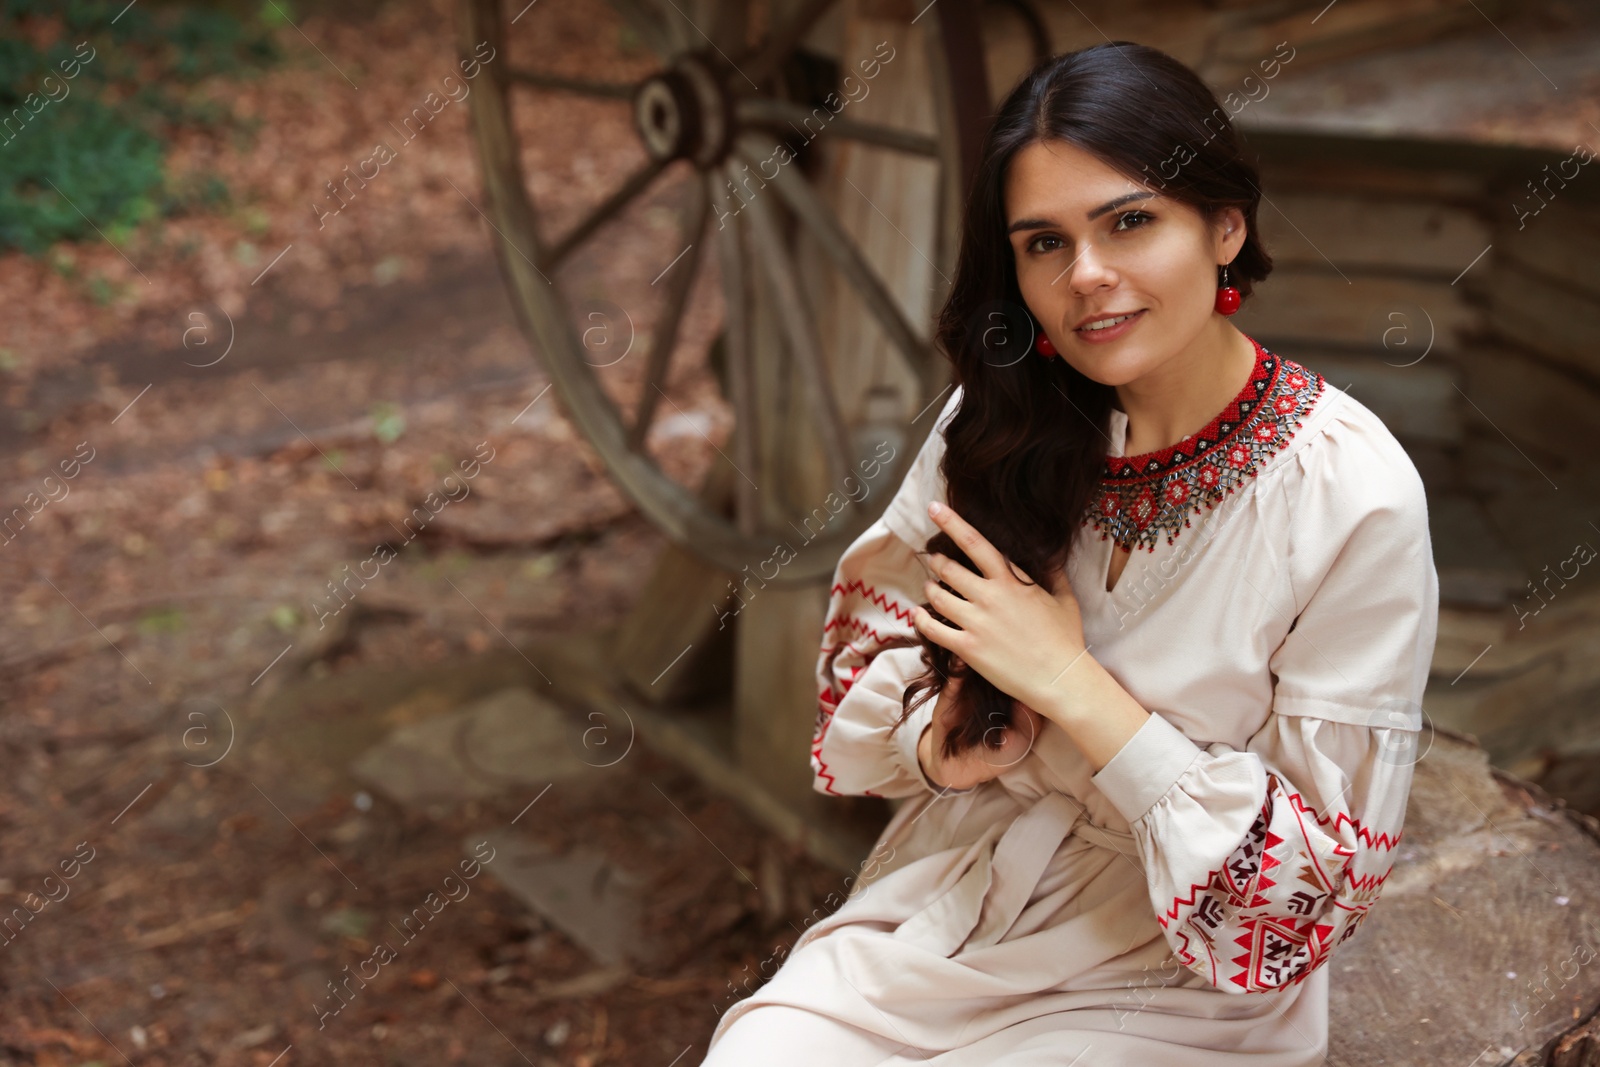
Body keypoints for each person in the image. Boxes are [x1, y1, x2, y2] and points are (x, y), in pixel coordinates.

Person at [701, 39, 1438, 1067]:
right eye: (1042, 243)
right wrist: (937, 742)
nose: (1086, 276)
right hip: (956, 904)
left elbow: (1306, 897)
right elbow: (860, 682)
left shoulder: (1353, 494)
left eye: (1128, 222)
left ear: (1225, 225)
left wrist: (1070, 685)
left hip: (1177, 967)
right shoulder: (1001, 418)